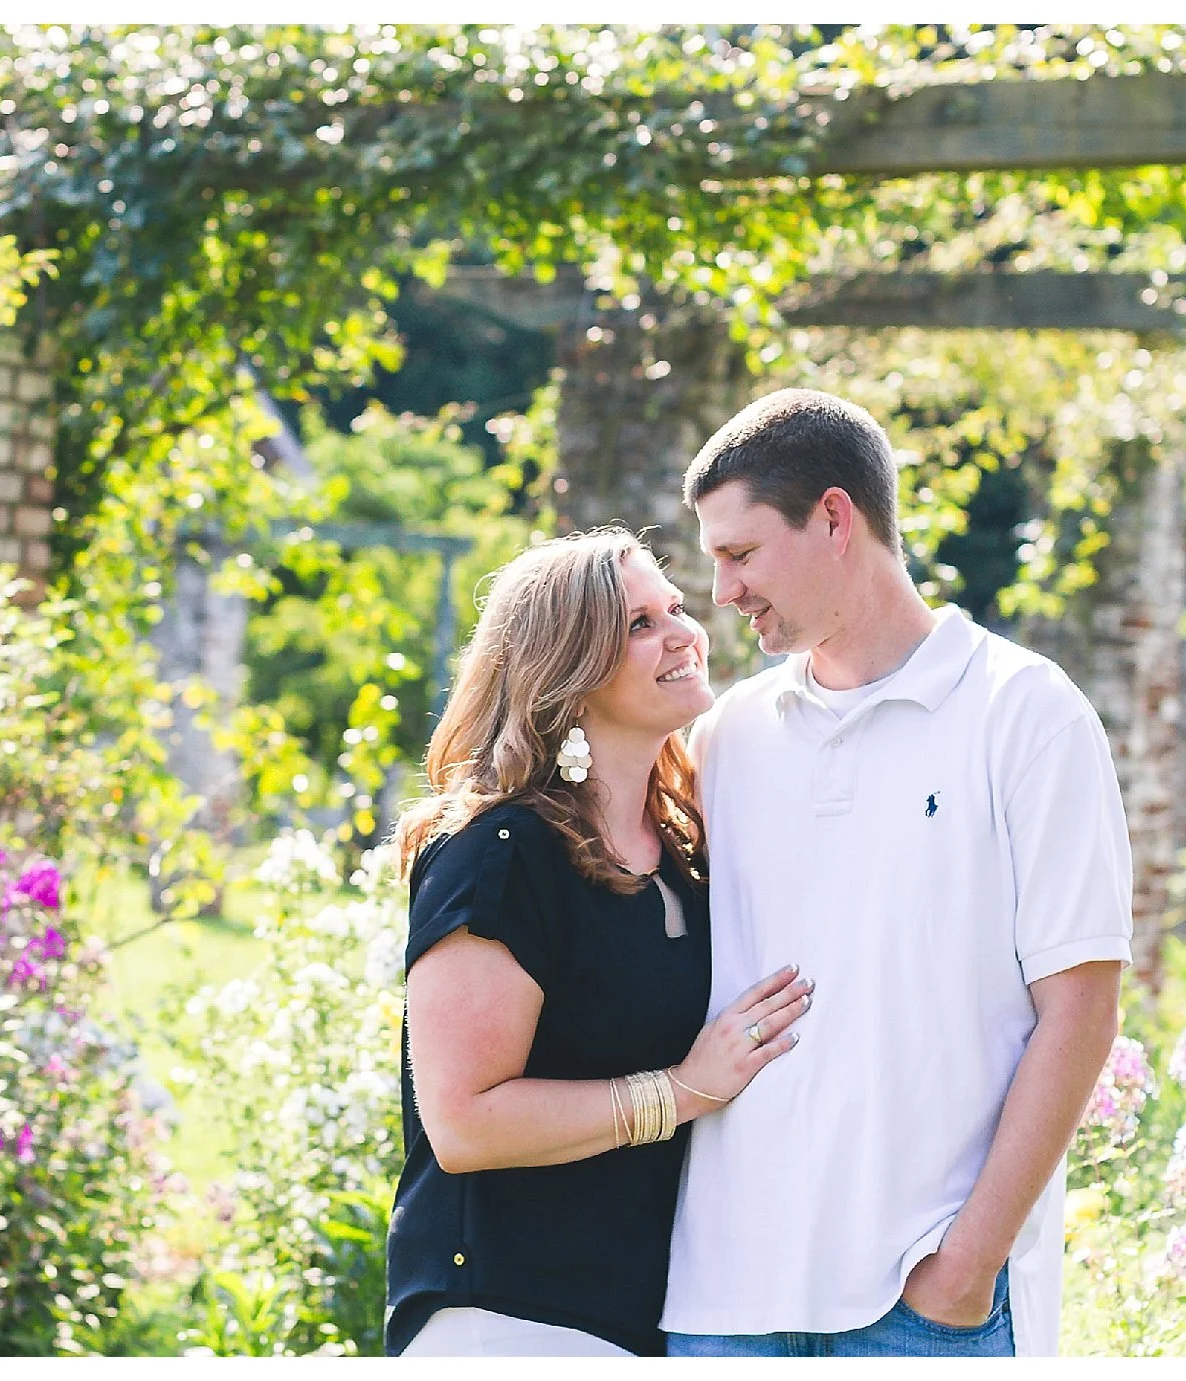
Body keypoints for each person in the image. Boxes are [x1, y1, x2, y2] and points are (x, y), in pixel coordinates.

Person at [662, 388, 1132, 1357]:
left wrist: (964, 1268)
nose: (723, 592)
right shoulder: (725, 736)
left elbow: (1080, 1007)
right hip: (722, 1303)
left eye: (739, 554)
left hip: (925, 1306)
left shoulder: (1023, 714)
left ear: (834, 517)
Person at [386, 527, 813, 1357]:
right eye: (638, 624)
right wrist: (682, 1091)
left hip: (644, 1320)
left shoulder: (688, 852)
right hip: (506, 1320)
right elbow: (464, 1120)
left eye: (675, 608)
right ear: (568, 673)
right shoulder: (499, 856)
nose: (683, 633)